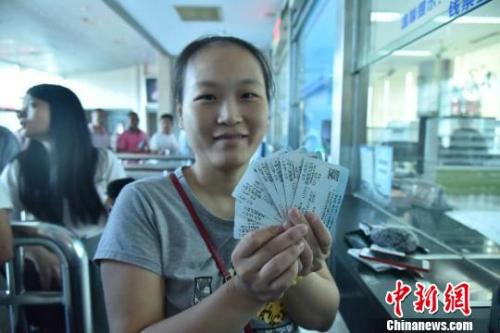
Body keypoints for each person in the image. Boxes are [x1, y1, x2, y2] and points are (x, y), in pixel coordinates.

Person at [95, 36, 339, 333]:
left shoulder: (288, 193)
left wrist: (297, 268)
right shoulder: (144, 206)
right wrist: (243, 293)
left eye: (248, 95)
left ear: (268, 109)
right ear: (181, 113)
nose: (230, 116)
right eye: (207, 97)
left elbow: (322, 318)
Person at [0, 84, 126, 332]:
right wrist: (36, 248)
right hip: (47, 263)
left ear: (62, 113)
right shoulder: (19, 168)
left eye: (32, 105)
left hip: (101, 259)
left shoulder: (102, 161)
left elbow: (123, 215)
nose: (21, 113)